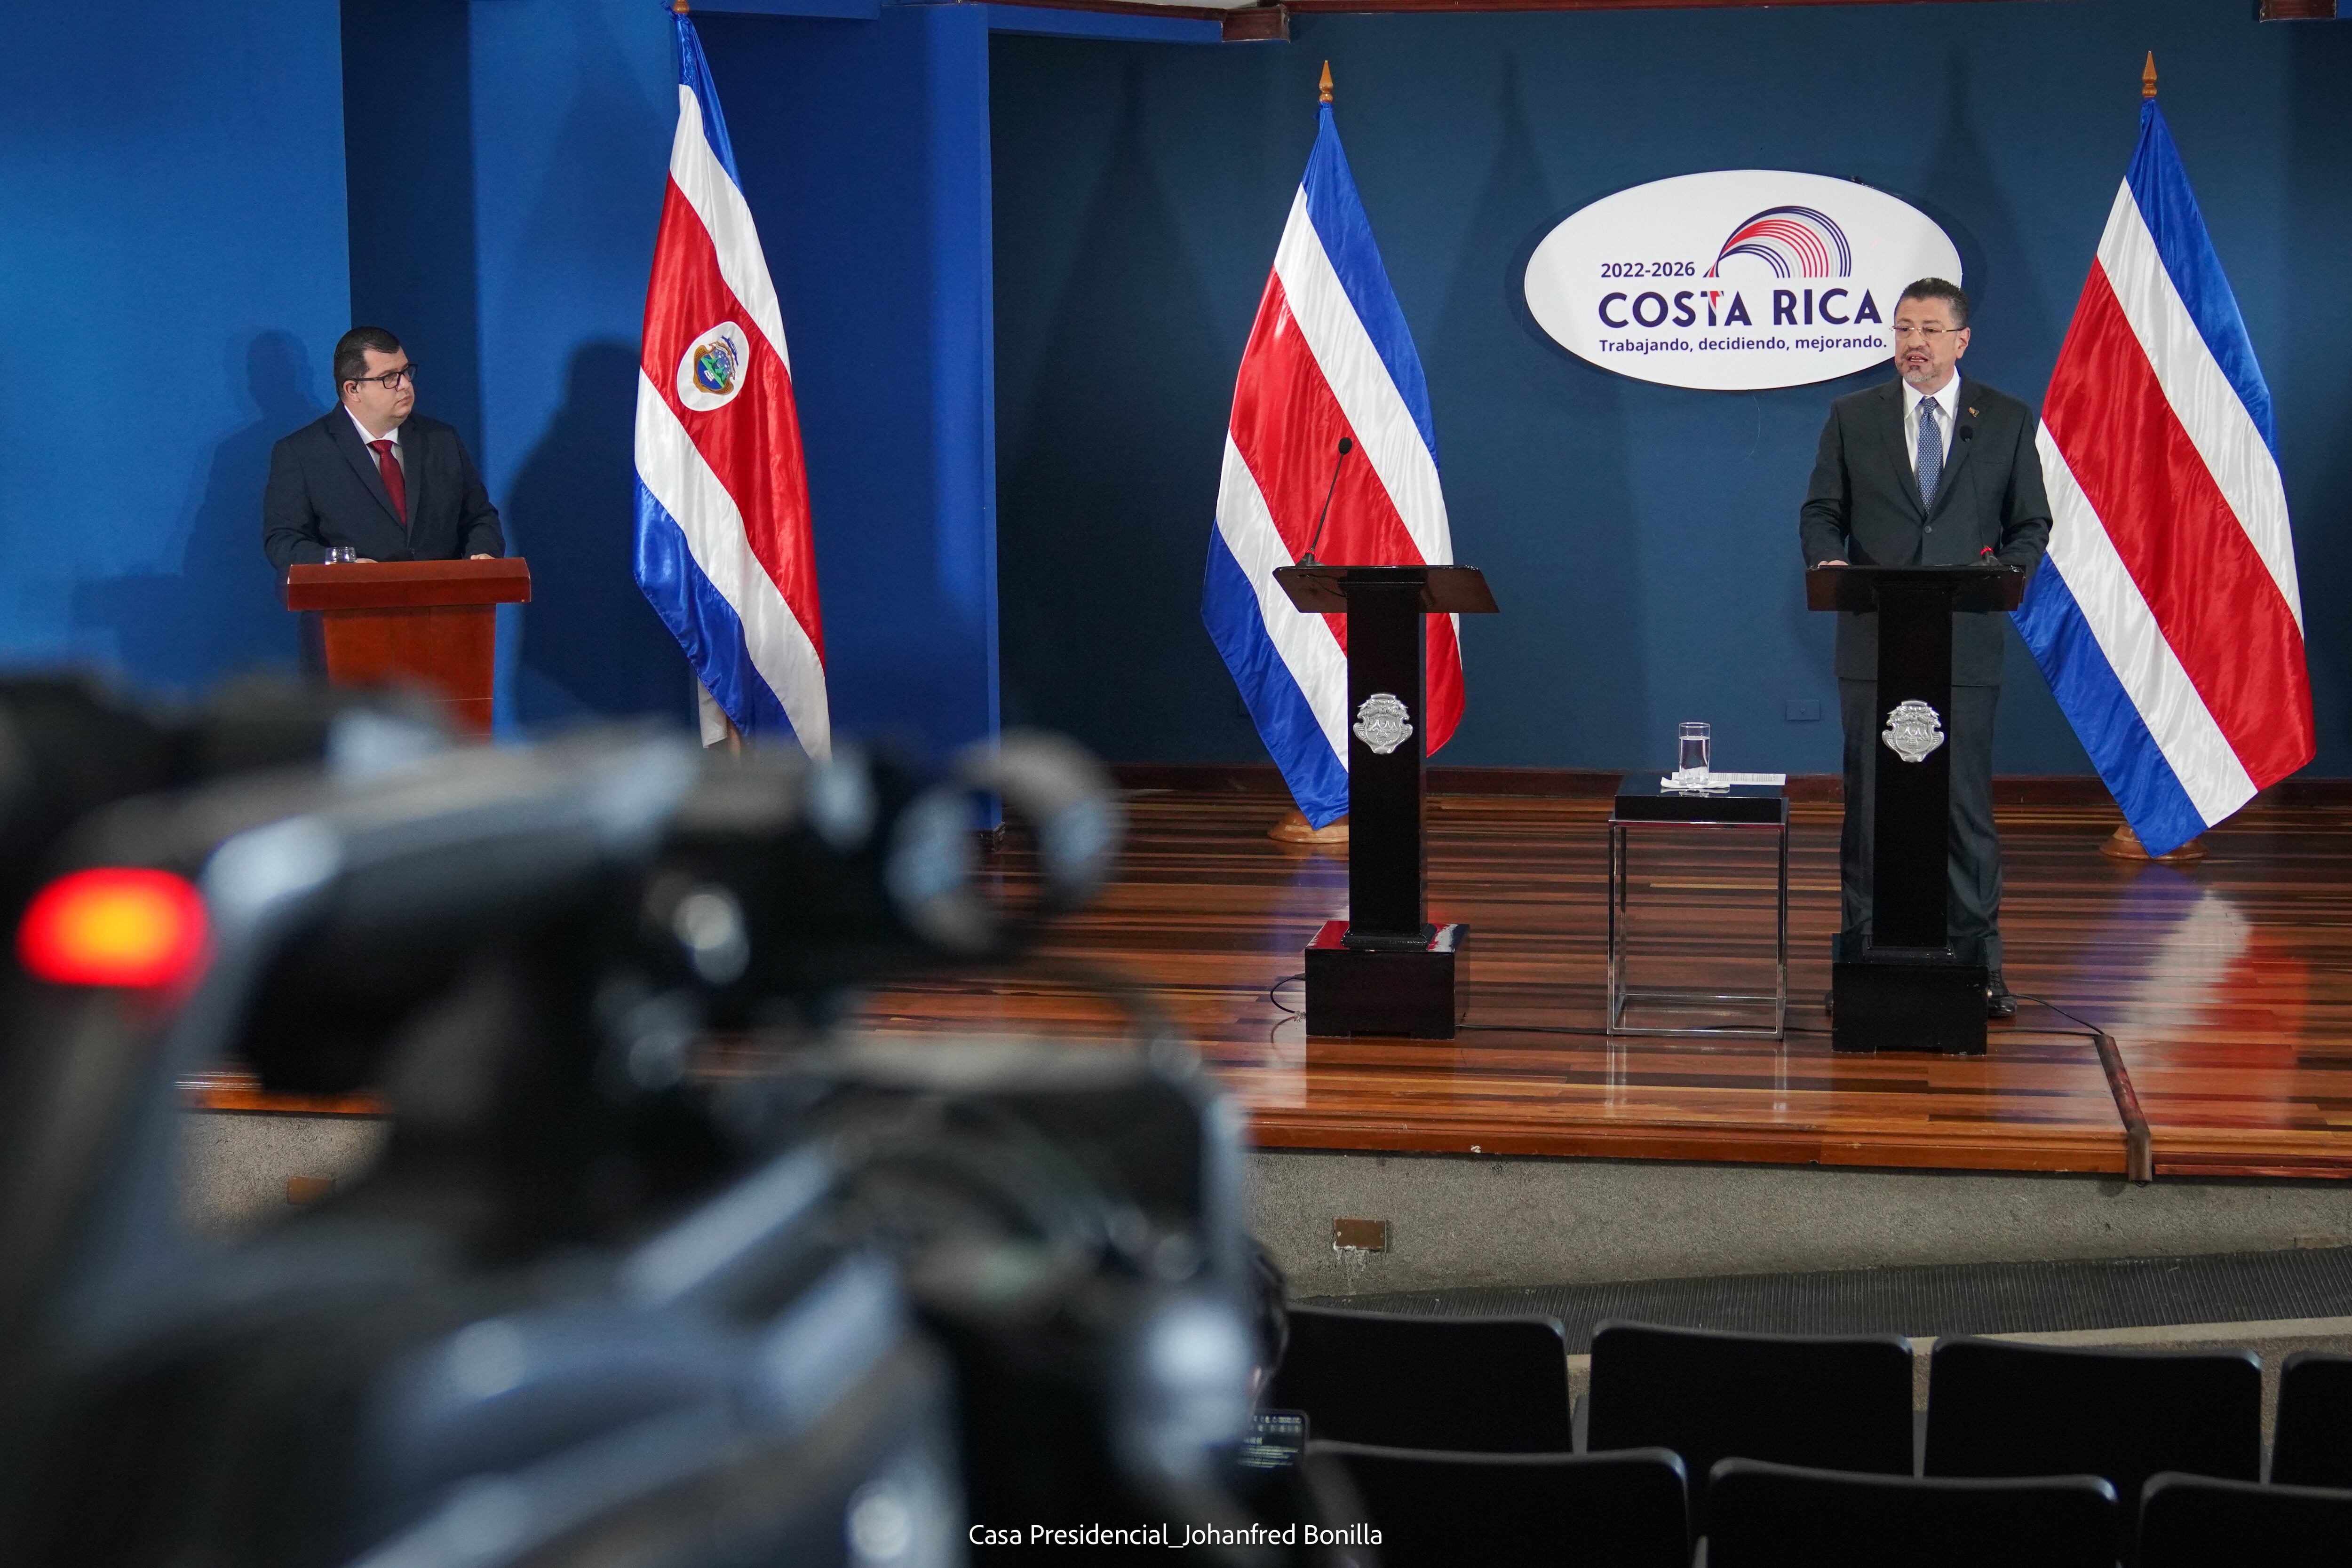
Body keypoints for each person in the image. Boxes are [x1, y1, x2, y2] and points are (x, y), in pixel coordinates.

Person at [1798, 278, 2051, 1019]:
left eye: (1931, 329)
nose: (1915, 341)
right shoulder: (1854, 417)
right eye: (1904, 327)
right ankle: (1863, 949)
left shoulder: (2002, 419)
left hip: (1965, 645)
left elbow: (2029, 524)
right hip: (1875, 642)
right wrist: (1828, 561)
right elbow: (1822, 511)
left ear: (1960, 341)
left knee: (1964, 811)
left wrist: (2010, 571)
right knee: (1870, 806)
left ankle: (1981, 964)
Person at [262, 327, 503, 568]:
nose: (405, 385)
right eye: (389, 377)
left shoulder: (442, 439)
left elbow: (479, 517)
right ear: (353, 389)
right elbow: (284, 541)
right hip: (352, 601)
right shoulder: (302, 453)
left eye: (406, 372)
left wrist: (482, 554)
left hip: (442, 601)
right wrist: (342, 564)